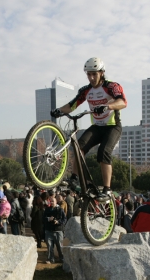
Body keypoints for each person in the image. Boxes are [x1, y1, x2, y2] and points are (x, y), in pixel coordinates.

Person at [50, 57, 127, 201]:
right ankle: (74, 178)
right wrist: (58, 111)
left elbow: (122, 102)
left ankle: (107, 190)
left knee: (103, 152)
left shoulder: (112, 86)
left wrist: (107, 106)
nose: (91, 77)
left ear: (102, 73)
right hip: (97, 126)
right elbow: (72, 105)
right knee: (79, 146)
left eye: (94, 74)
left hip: (113, 127)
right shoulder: (86, 90)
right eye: (88, 74)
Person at [43, 196, 66, 264]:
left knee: (59, 246)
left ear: (56, 202)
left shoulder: (60, 210)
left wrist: (58, 222)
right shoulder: (47, 210)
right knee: (49, 246)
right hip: (48, 230)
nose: (52, 202)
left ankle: (62, 258)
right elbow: (43, 218)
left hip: (58, 230)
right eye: (51, 201)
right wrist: (48, 219)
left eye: (53, 201)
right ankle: (50, 259)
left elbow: (64, 219)